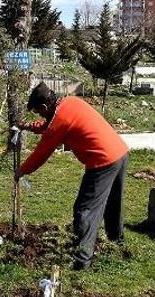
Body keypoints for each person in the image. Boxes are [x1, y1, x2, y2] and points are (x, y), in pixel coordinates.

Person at [15, 82, 129, 271]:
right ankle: (117, 245)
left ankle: (82, 261)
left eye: (38, 111)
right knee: (112, 204)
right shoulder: (70, 103)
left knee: (84, 211)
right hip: (120, 153)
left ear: (44, 107)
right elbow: (49, 126)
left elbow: (41, 153)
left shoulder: (60, 121)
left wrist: (22, 170)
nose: (39, 115)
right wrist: (28, 126)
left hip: (103, 162)